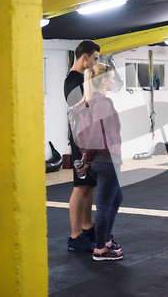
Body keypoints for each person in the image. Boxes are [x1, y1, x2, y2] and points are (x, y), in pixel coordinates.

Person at [76, 63, 123, 261]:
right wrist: (87, 157)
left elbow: (82, 133)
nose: (113, 81)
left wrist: (87, 157)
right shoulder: (102, 103)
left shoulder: (89, 102)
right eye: (111, 78)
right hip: (106, 161)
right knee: (104, 205)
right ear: (103, 81)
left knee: (116, 198)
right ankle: (101, 249)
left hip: (100, 161)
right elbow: (96, 134)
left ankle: (105, 241)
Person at [64, 40, 100, 252]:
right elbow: (80, 107)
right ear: (84, 57)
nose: (95, 64)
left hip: (88, 139)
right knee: (80, 186)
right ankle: (75, 235)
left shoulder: (83, 79)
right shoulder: (73, 80)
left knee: (89, 184)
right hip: (80, 140)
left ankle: (87, 226)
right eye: (94, 59)